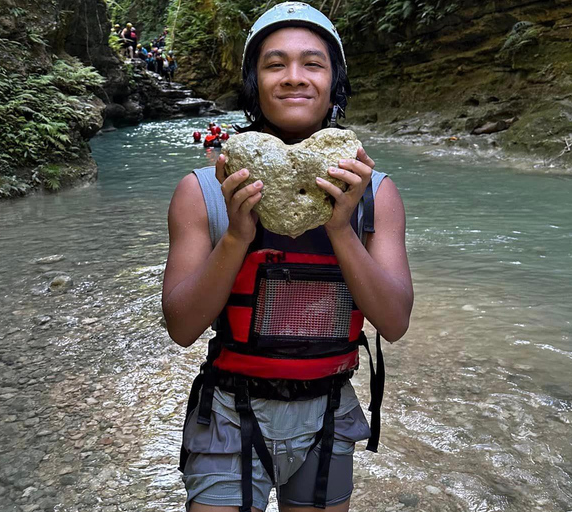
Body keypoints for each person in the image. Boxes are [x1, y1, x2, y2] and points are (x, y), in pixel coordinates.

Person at [162, 3, 413, 512]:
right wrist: (236, 236)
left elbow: (393, 320)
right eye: (275, 64)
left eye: (312, 63)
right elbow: (183, 327)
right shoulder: (204, 192)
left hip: (327, 414)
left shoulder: (375, 195)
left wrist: (340, 228)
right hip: (231, 412)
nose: (293, 78)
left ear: (333, 80)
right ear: (255, 80)